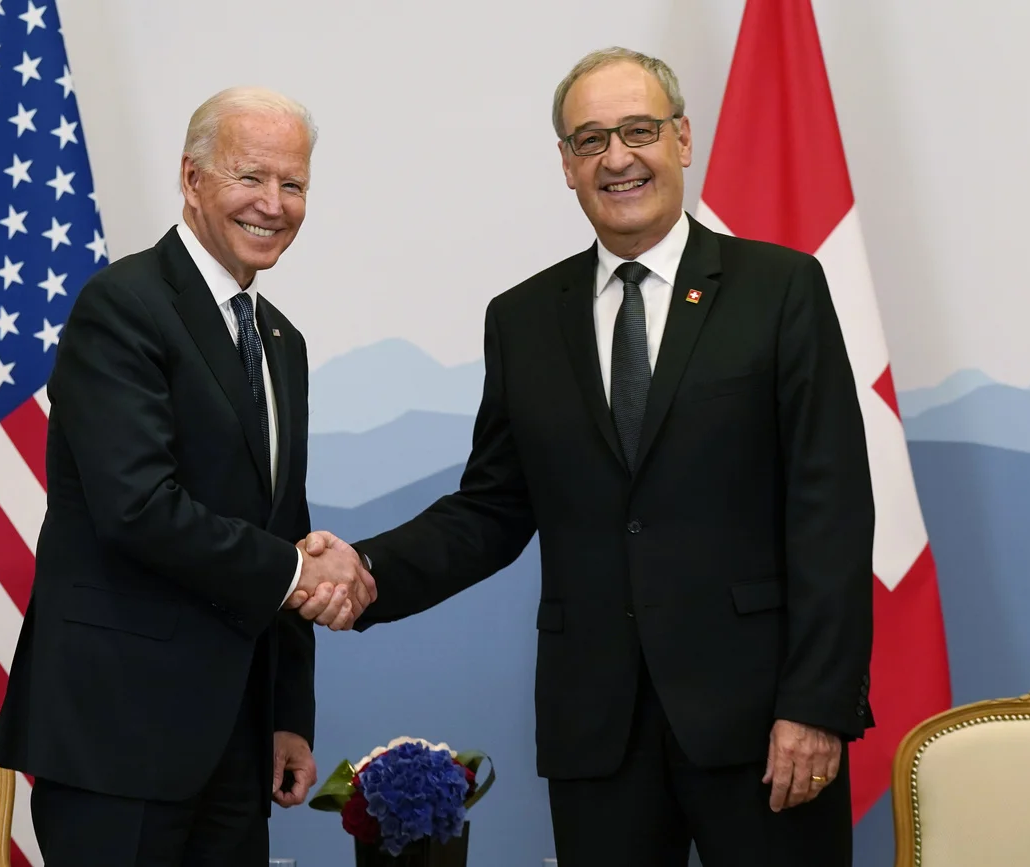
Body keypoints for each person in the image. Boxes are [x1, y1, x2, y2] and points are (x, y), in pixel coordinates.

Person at [297, 47, 875, 865]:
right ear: (566, 165)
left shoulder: (780, 290)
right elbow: (493, 507)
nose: (617, 158)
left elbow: (831, 509)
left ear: (681, 139)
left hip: (762, 722)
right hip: (599, 733)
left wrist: (816, 703)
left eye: (638, 130)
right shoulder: (524, 319)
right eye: (591, 139)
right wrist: (365, 568)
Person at [0, 86, 374, 866]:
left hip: (235, 740)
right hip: (118, 735)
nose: (274, 204)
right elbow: (137, 507)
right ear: (192, 179)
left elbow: (283, 526)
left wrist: (287, 712)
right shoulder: (122, 306)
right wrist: (301, 571)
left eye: (293, 183)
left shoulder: (281, 341)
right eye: (250, 176)